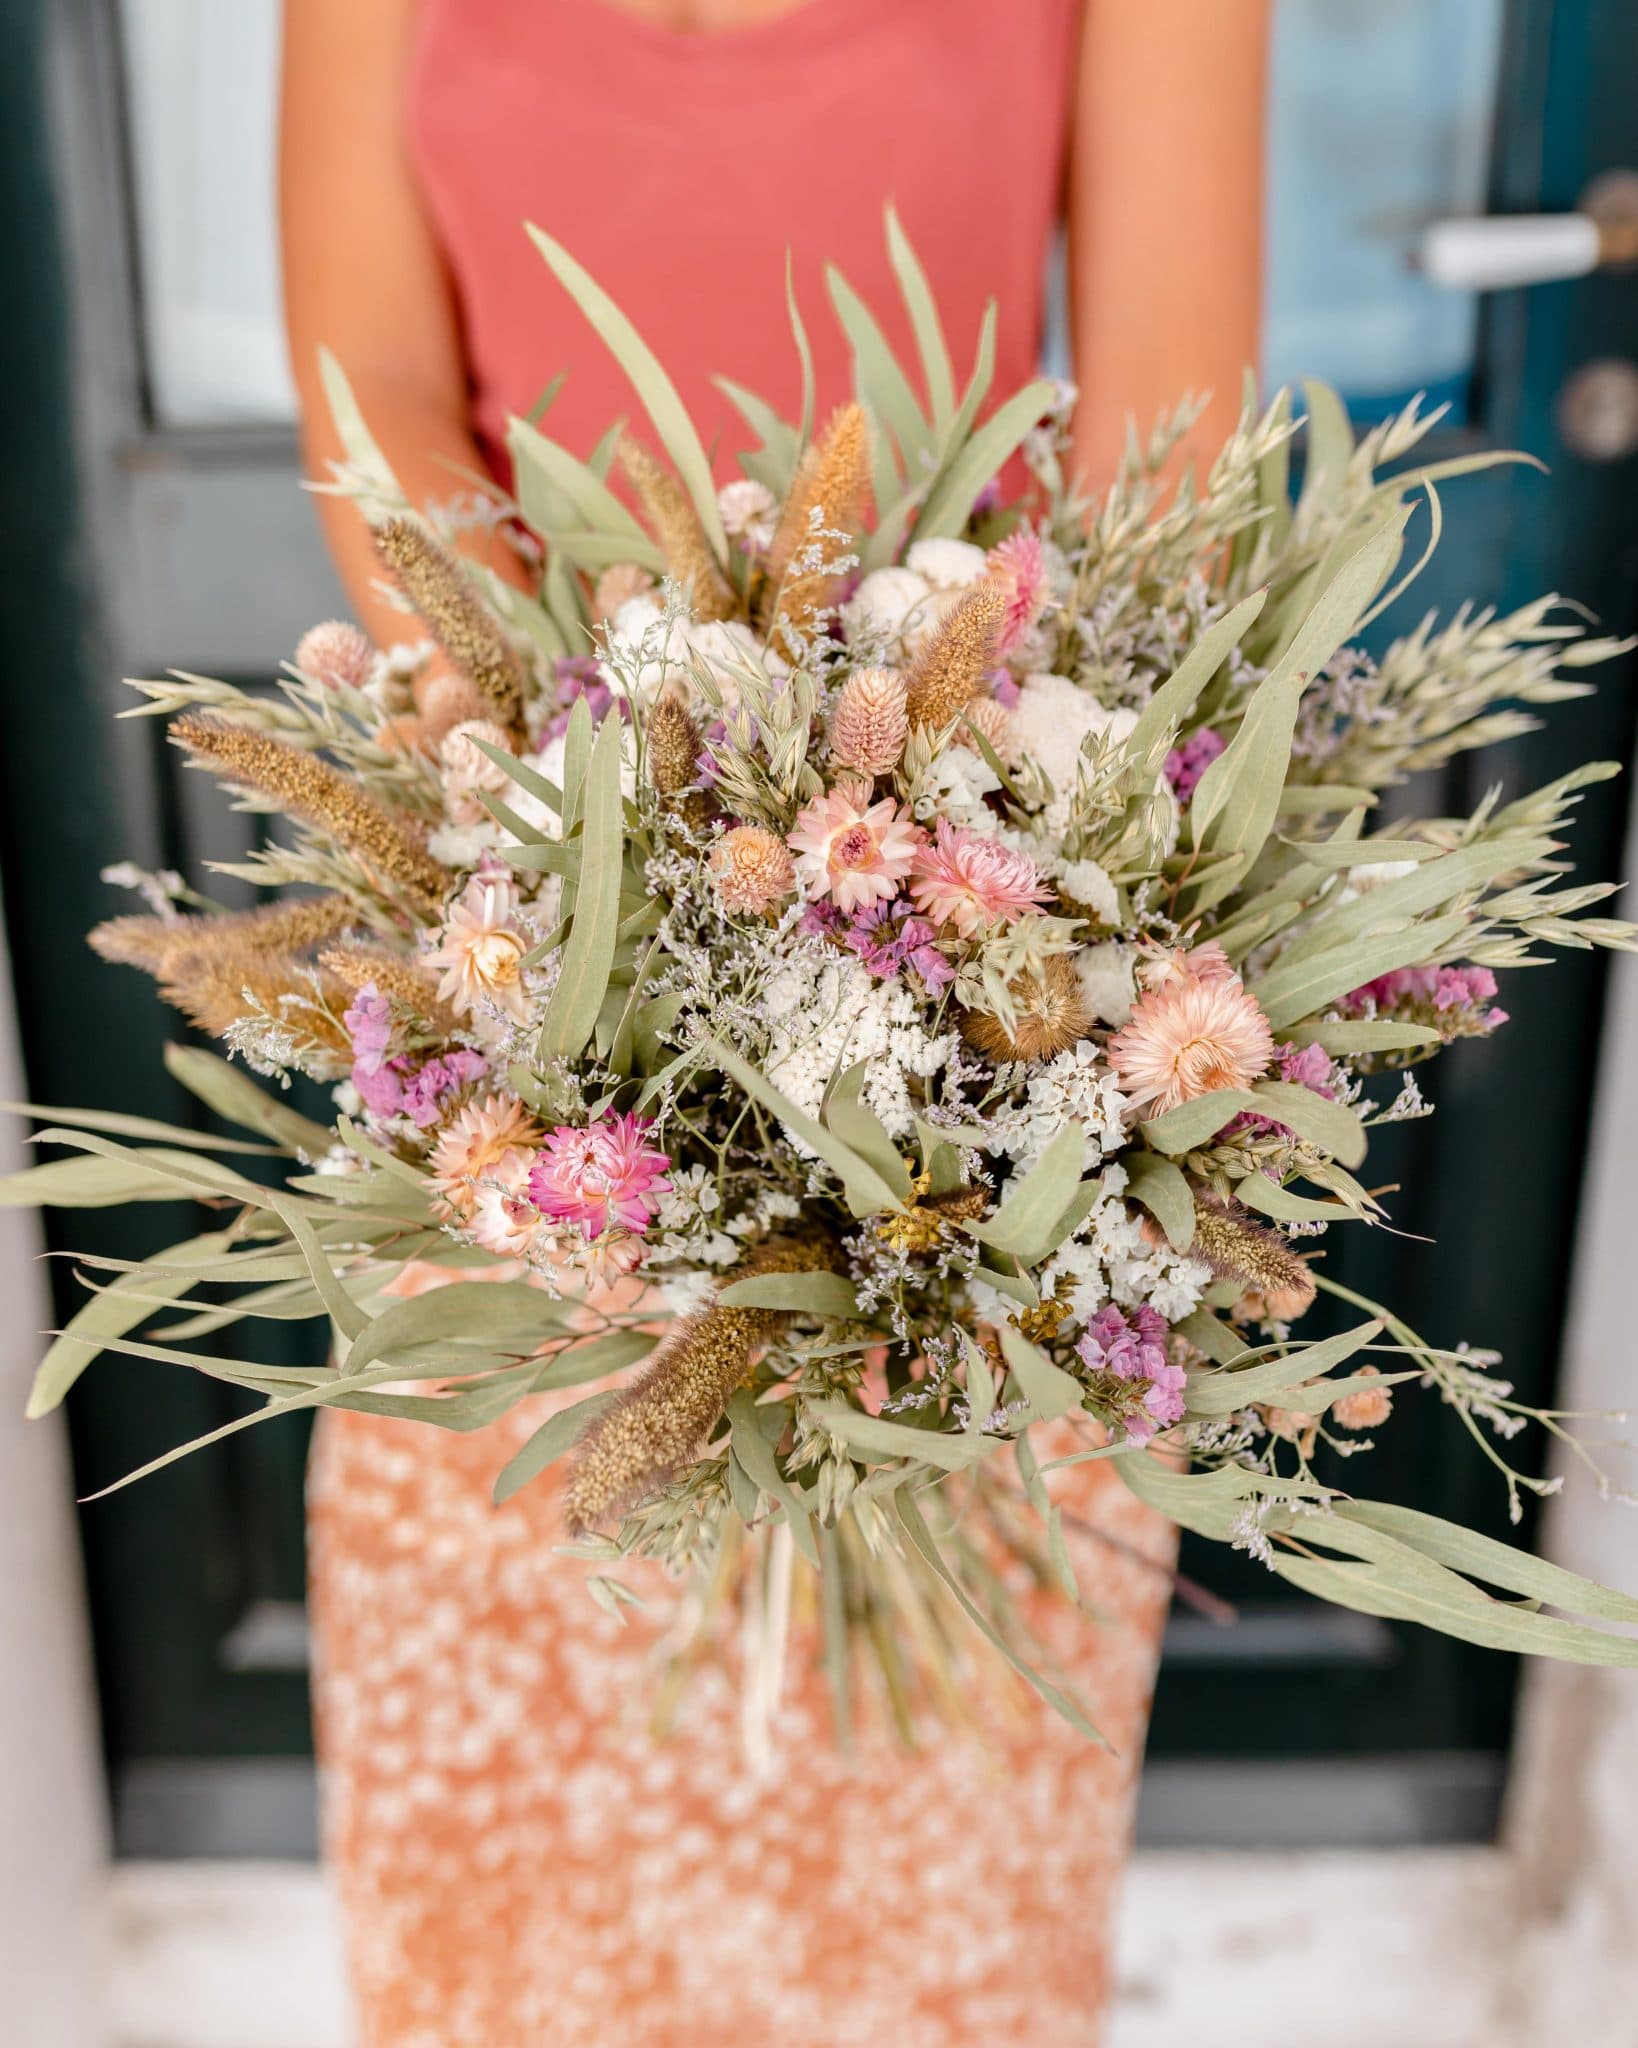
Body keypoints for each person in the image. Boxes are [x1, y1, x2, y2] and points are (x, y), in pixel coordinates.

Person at [281, 4, 1268, 2042]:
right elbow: (371, 383)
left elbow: (1165, 454)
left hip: (964, 1023)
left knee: (932, 1894)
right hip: (511, 977)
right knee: (499, 1874)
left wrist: (922, 876)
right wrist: (566, 847)